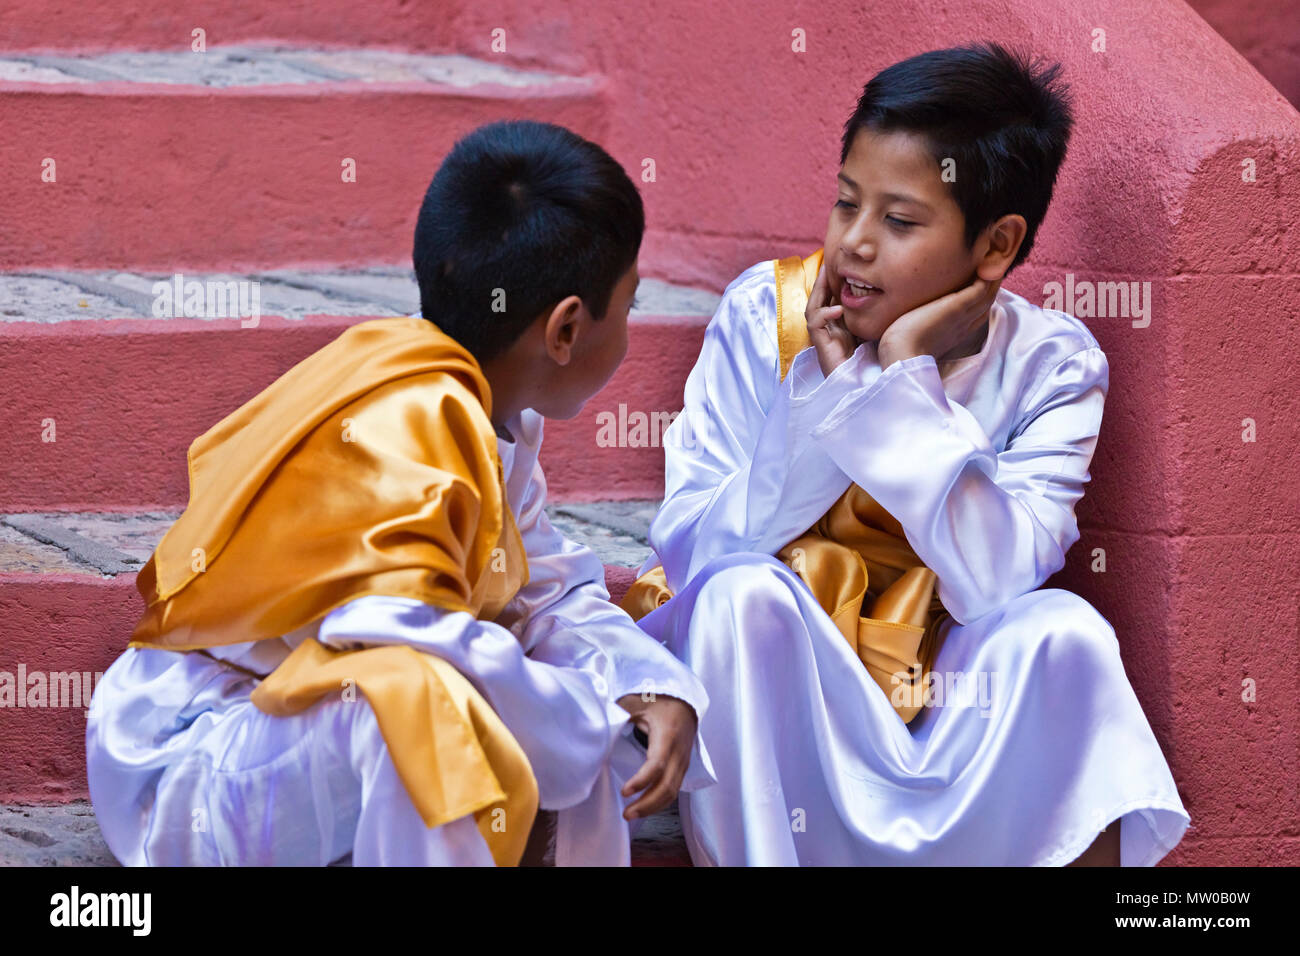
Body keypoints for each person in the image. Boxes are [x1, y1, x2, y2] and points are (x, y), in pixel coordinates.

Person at [620, 43, 1190, 866]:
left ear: (997, 246)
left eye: (899, 221)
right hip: (786, 693)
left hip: (945, 698)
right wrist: (830, 388)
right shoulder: (767, 317)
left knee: (1066, 631)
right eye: (846, 202)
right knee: (743, 593)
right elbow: (700, 549)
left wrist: (903, 380)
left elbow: (999, 578)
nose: (852, 243)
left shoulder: (1055, 366)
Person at [86, 119, 713, 867]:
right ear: (567, 330)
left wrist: (642, 682)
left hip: (292, 739)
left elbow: (546, 592)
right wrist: (586, 713)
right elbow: (402, 642)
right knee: (422, 705)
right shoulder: (409, 423)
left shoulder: (487, 416)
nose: (633, 327)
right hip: (191, 758)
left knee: (581, 719)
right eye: (632, 305)